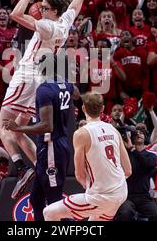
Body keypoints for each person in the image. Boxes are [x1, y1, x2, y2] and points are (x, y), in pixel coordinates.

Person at [0, 0, 96, 199]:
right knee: (19, 131)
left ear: (53, 11)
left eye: (45, 6)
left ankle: (20, 169)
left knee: (2, 126)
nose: (41, 8)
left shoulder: (47, 26)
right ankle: (38, 171)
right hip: (39, 79)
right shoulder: (64, 21)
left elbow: (15, 14)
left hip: (27, 76)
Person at [4, 54, 79, 220]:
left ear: (42, 68)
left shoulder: (44, 90)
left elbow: (47, 126)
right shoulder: (64, 83)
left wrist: (19, 128)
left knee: (53, 202)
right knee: (36, 200)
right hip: (56, 145)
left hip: (52, 147)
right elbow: (77, 93)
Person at [43, 92, 132, 221]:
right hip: (121, 192)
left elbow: (79, 175)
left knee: (49, 213)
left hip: (101, 197)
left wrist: (96, 189)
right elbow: (128, 170)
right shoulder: (113, 130)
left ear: (83, 108)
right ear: (102, 109)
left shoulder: (81, 134)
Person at [114, 128, 157, 221]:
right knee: (125, 213)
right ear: (131, 138)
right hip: (127, 196)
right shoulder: (126, 155)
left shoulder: (151, 155)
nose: (139, 134)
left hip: (144, 196)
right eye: (136, 134)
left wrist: (133, 149)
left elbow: (146, 164)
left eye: (141, 133)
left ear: (145, 137)